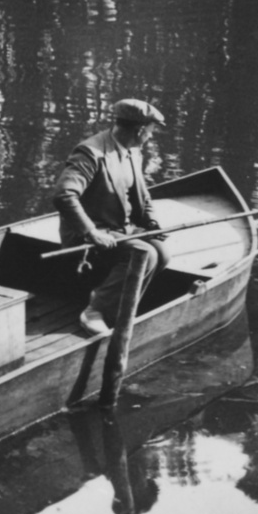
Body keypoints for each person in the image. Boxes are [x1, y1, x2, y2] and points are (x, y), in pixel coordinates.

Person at [54, 99, 171, 338]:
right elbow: (64, 195)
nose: (150, 136)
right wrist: (90, 232)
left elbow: (142, 195)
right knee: (144, 254)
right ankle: (95, 310)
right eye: (150, 131)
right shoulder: (90, 153)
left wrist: (152, 223)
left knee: (163, 253)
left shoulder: (133, 151)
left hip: (122, 228)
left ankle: (121, 306)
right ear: (139, 130)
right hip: (91, 233)